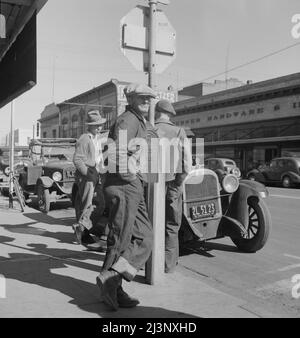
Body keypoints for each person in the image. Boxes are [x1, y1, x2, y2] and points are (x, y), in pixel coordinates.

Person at [96, 83, 156, 311]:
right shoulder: (127, 120)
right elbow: (118, 152)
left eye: (149, 98)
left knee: (144, 238)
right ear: (129, 99)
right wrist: (130, 177)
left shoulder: (137, 120)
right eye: (141, 97)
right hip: (124, 185)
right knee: (120, 239)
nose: (146, 101)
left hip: (131, 185)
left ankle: (113, 279)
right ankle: (112, 285)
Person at [155, 99, 192, 273]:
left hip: (151, 183)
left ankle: (150, 263)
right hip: (172, 182)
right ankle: (168, 265)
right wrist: (179, 180)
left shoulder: (148, 129)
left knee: (151, 221)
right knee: (171, 224)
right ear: (169, 114)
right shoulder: (178, 131)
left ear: (156, 112)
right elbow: (187, 163)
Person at [72, 110, 107, 250]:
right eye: (96, 125)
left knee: (99, 204)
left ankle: (81, 227)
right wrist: (88, 174)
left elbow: (97, 158)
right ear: (90, 126)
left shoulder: (94, 138)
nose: (99, 127)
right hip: (87, 175)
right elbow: (77, 159)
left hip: (94, 174)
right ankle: (83, 232)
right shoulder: (85, 139)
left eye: (100, 125)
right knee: (87, 204)